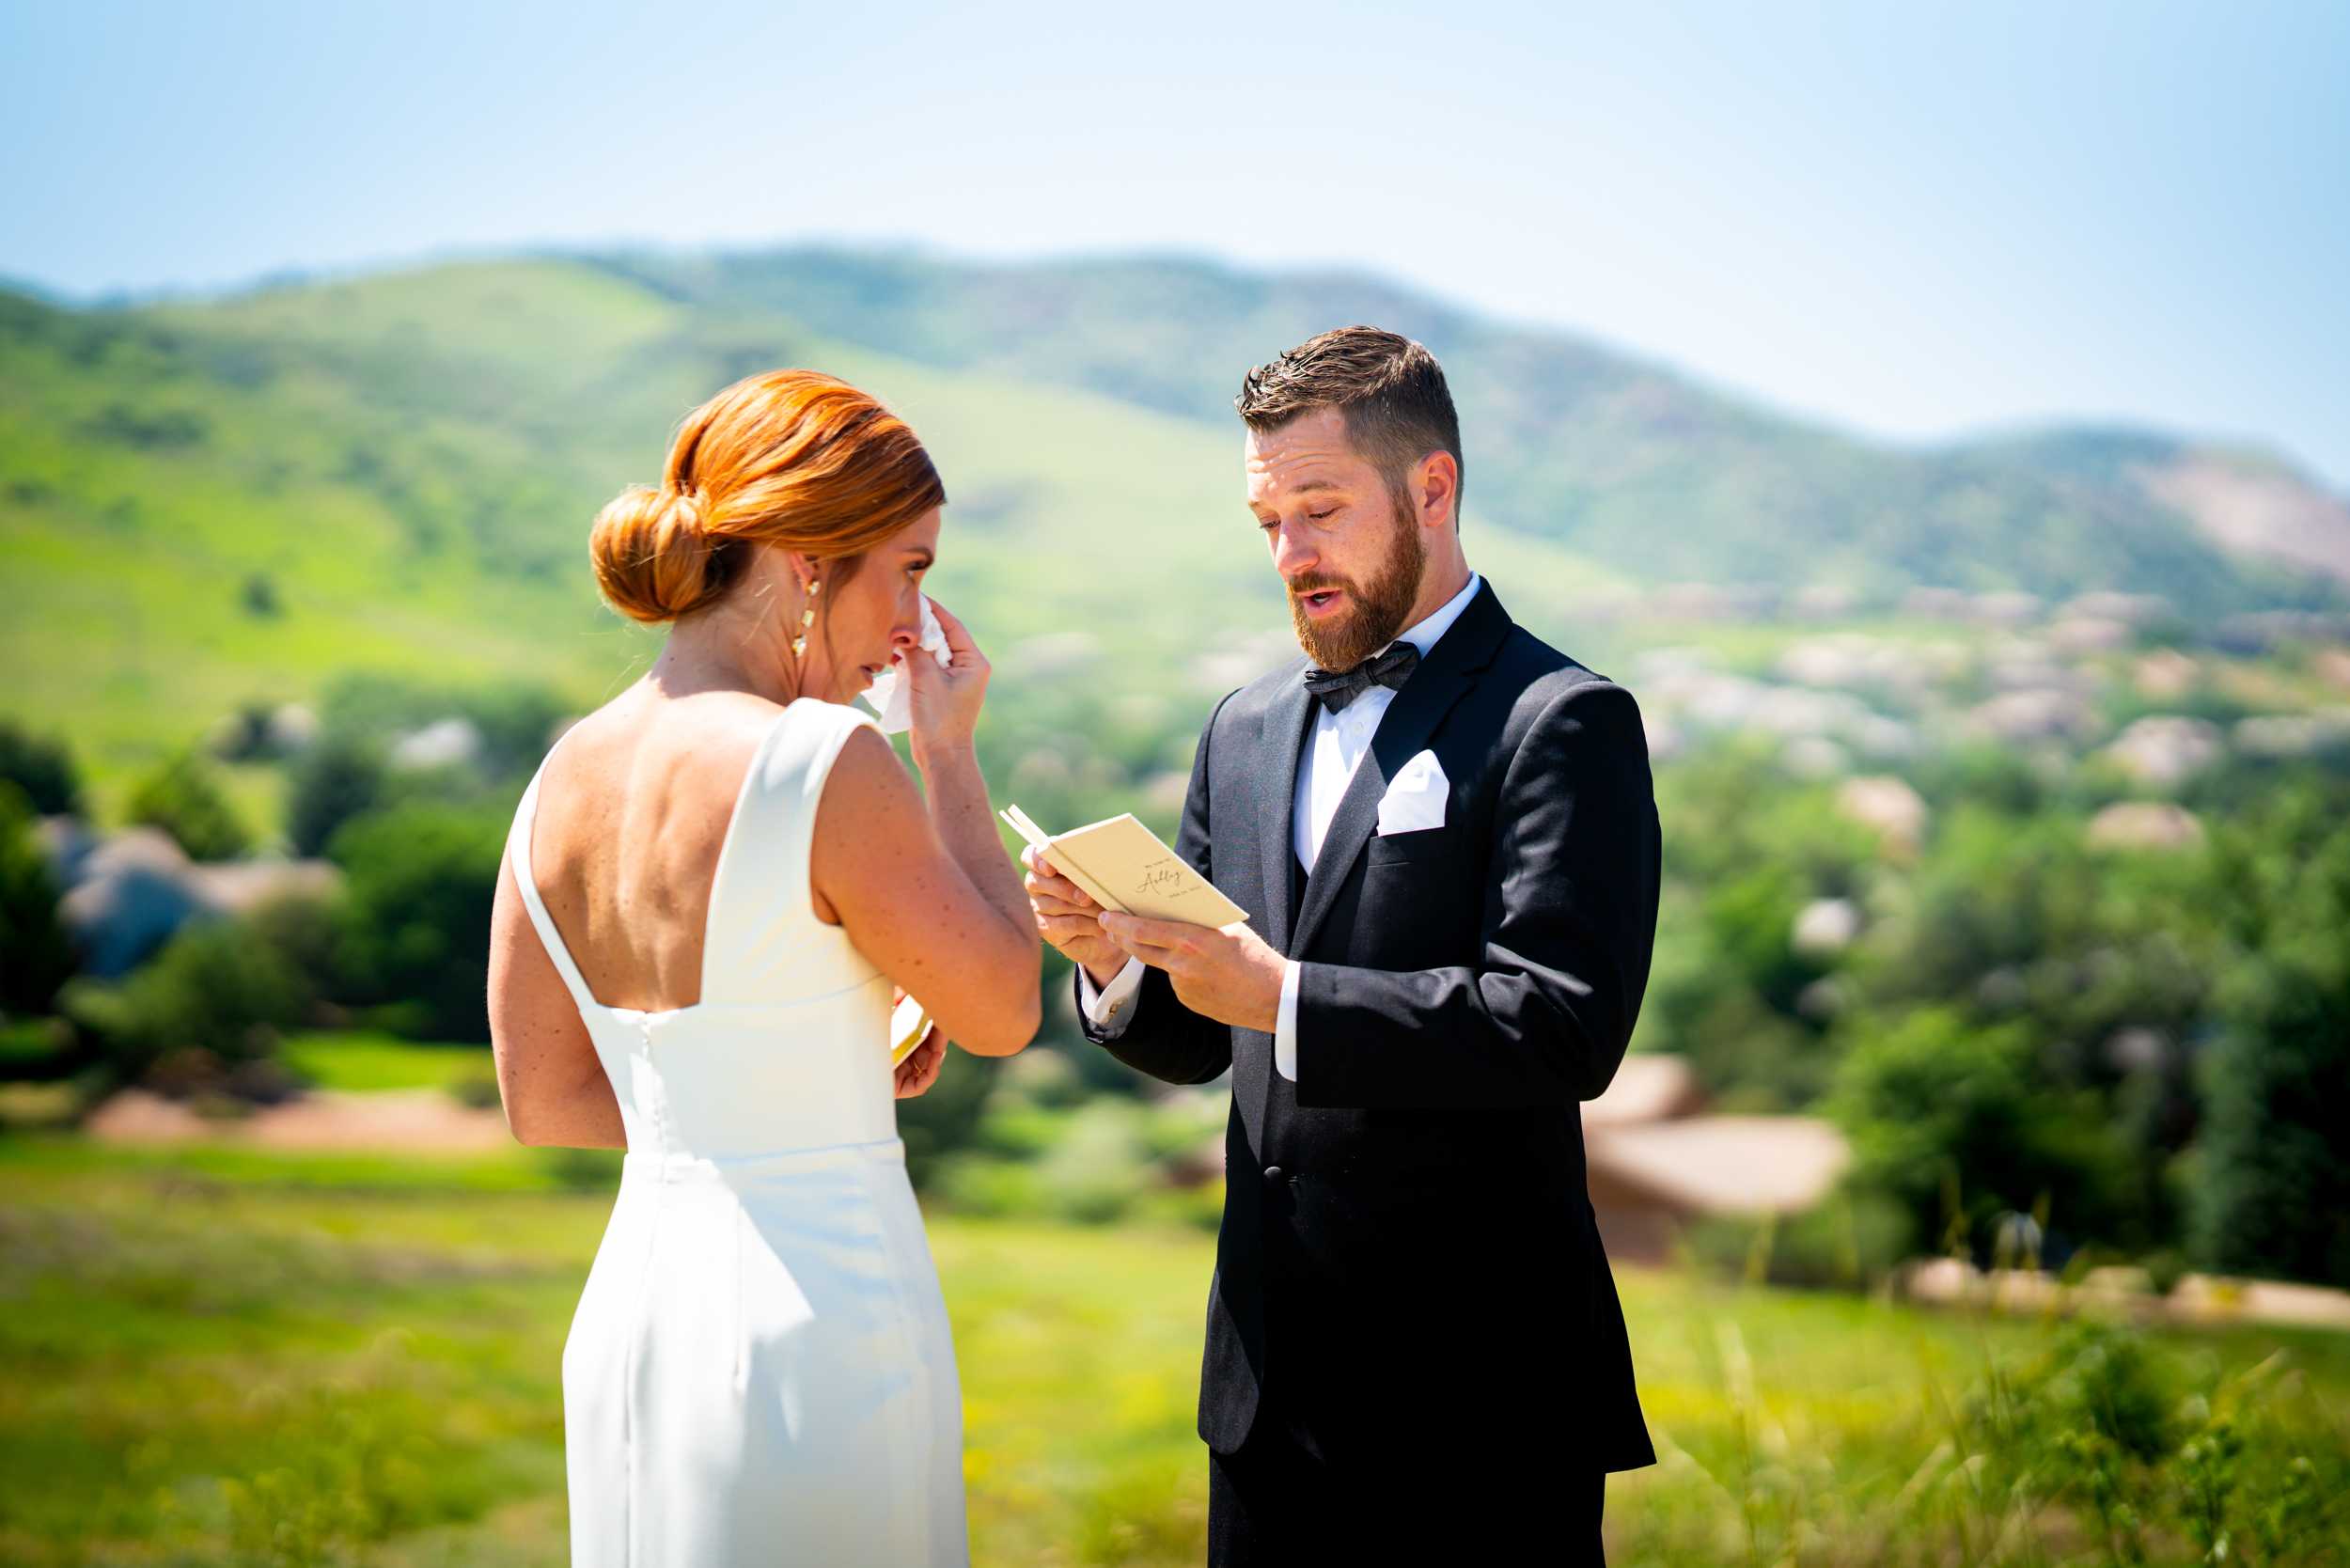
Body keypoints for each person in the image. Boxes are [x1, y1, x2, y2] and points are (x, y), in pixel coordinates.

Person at [1023, 327, 1660, 1564]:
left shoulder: (1563, 720)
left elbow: (1563, 1024)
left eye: (1318, 510)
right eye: (1268, 524)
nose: (1290, 555)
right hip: (1265, 1396)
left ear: (1433, 488)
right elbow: (1203, 1040)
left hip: (1482, 1403)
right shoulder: (1245, 728)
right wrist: (1114, 965)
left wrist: (1289, 994)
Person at [487, 369, 1041, 1568]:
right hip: (816, 1316)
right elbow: (1000, 1005)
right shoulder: (820, 758)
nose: (914, 625)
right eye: (910, 569)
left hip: (636, 1312)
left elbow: (549, 1101)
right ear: (805, 560)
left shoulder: (557, 780)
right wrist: (947, 753)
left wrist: (794, 1072)